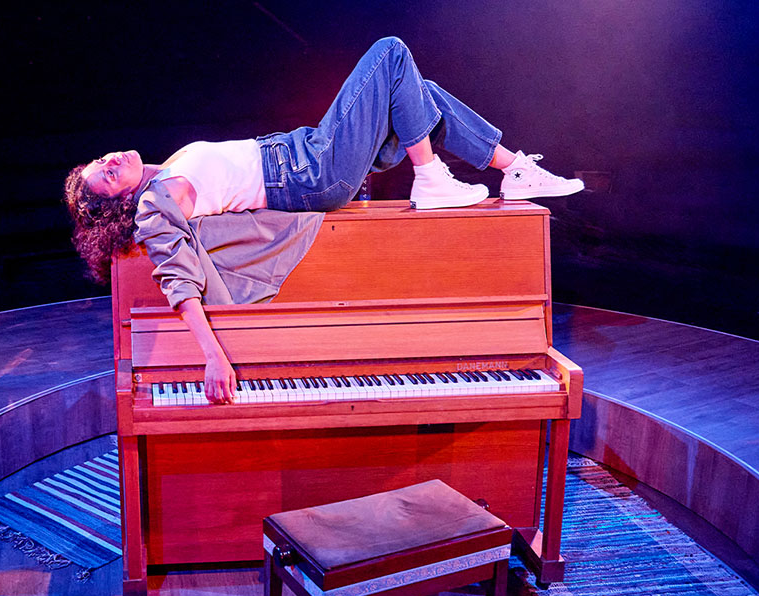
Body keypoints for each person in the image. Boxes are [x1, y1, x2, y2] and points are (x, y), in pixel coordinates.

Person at [62, 37, 582, 404]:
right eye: (105, 179)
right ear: (120, 202)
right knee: (390, 52)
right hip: (310, 171)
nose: (110, 163)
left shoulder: (167, 167)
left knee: (417, 93)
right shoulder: (157, 200)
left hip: (309, 158)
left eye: (101, 161)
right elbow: (176, 276)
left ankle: (514, 170)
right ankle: (431, 179)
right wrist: (213, 355)